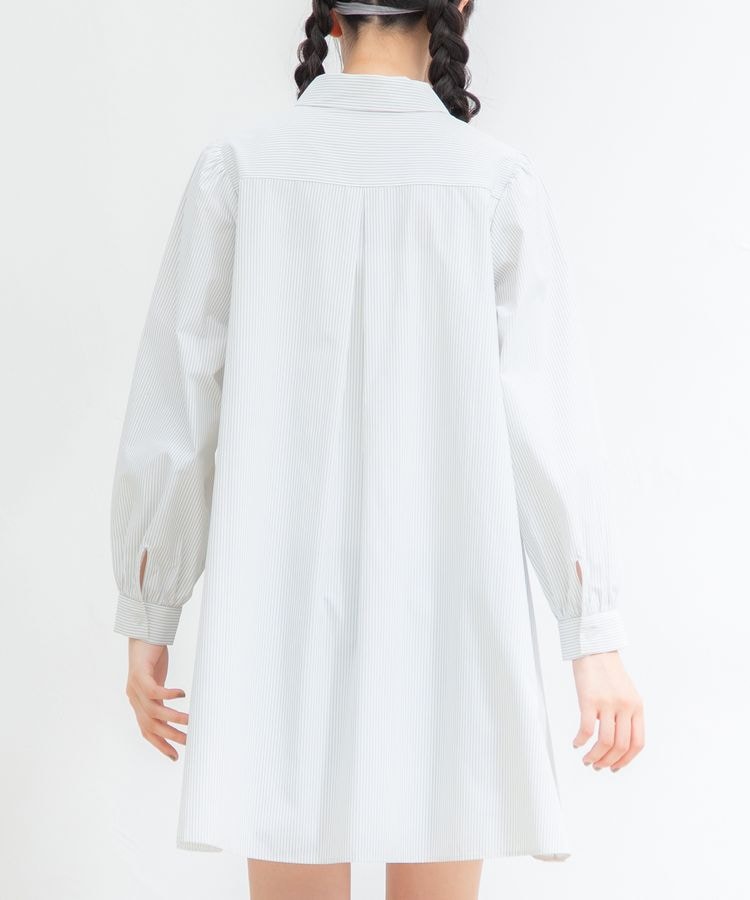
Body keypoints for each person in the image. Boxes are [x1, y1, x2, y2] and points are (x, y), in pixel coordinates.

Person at [109, 2, 645, 898]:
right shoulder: (492, 181)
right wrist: (592, 632)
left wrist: (150, 603)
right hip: (450, 605)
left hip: (275, 602)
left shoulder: (241, 168)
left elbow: (178, 404)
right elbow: (551, 423)